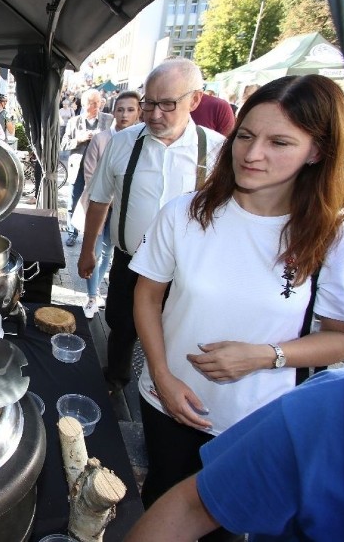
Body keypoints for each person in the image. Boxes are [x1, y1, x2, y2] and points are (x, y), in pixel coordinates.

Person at [129, 74, 344, 539]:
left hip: (255, 424)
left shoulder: (334, 237)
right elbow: (148, 295)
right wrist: (163, 377)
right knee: (161, 503)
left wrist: (265, 354)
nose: (253, 155)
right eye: (247, 136)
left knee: (224, 530)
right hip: (166, 402)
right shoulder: (185, 212)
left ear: (316, 151)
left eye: (280, 142)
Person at [78, 58, 226, 396]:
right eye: (149, 103)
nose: (154, 114)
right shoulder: (122, 142)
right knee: (121, 326)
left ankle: (171, 386)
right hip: (129, 262)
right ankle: (115, 379)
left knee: (180, 332)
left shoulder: (217, 150)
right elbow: (99, 199)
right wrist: (87, 251)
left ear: (195, 100)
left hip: (186, 269)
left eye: (167, 104)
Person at [125, 367, 344, 542]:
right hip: (177, 405)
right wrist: (162, 374)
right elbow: (189, 508)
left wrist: (269, 354)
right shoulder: (331, 407)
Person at [73, 91, 141, 319]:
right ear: (113, 112)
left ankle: (97, 288)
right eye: (120, 109)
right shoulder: (101, 139)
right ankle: (92, 295)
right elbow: (91, 174)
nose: (124, 114)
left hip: (125, 210)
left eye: (130, 109)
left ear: (139, 112)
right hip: (99, 206)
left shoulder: (140, 140)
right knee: (95, 250)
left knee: (108, 251)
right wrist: (109, 199)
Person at [62, 88, 114, 246]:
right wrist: (79, 139)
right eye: (93, 103)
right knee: (74, 200)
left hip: (100, 168)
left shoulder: (109, 120)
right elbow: (64, 144)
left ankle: (96, 234)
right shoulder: (74, 121)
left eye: (99, 102)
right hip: (78, 168)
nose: (97, 105)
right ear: (84, 104)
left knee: (99, 201)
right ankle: (72, 233)